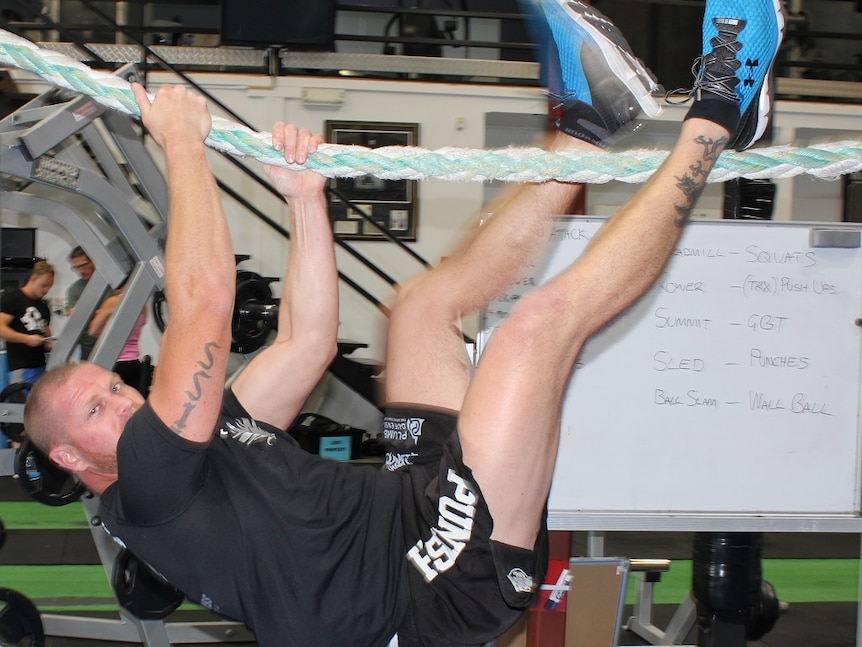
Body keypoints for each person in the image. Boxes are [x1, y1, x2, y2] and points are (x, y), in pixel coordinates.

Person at [23, 0, 785, 645]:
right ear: (68, 455)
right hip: (430, 592)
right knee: (535, 327)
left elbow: (307, 341)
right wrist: (184, 147)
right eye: (97, 406)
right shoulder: (145, 485)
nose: (122, 399)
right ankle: (721, 114)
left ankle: (588, 129)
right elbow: (203, 304)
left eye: (111, 388)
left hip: (414, 505)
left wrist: (304, 199)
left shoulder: (204, 440)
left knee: (418, 309)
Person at [87, 280, 149, 394]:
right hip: (134, 363)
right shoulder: (142, 305)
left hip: (115, 363)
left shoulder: (113, 301)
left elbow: (93, 331)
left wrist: (101, 315)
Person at [0, 260, 55, 385]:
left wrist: (56, 343)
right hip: (21, 367)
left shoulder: (43, 306)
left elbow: (47, 337)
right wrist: (27, 339)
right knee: (21, 403)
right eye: (44, 285)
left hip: (41, 367)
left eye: (49, 287)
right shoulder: (13, 298)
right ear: (33, 279)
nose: (46, 290)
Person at [66, 246, 107, 359]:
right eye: (76, 268)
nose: (80, 271)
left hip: (110, 343)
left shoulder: (111, 284)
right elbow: (75, 315)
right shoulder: (74, 289)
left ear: (93, 261)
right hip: (86, 346)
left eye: (83, 266)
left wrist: (85, 312)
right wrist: (103, 312)